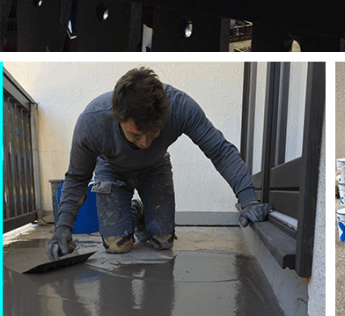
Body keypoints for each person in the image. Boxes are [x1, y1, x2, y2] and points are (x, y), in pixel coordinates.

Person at [47, 67, 271, 261]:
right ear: (117, 117)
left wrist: (248, 200)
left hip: (155, 167)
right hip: (111, 170)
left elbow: (220, 151)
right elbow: (77, 177)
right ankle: (133, 212)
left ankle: (143, 212)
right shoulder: (92, 122)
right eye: (135, 135)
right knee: (117, 247)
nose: (144, 143)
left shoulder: (180, 107)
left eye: (153, 132)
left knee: (163, 241)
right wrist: (63, 227)